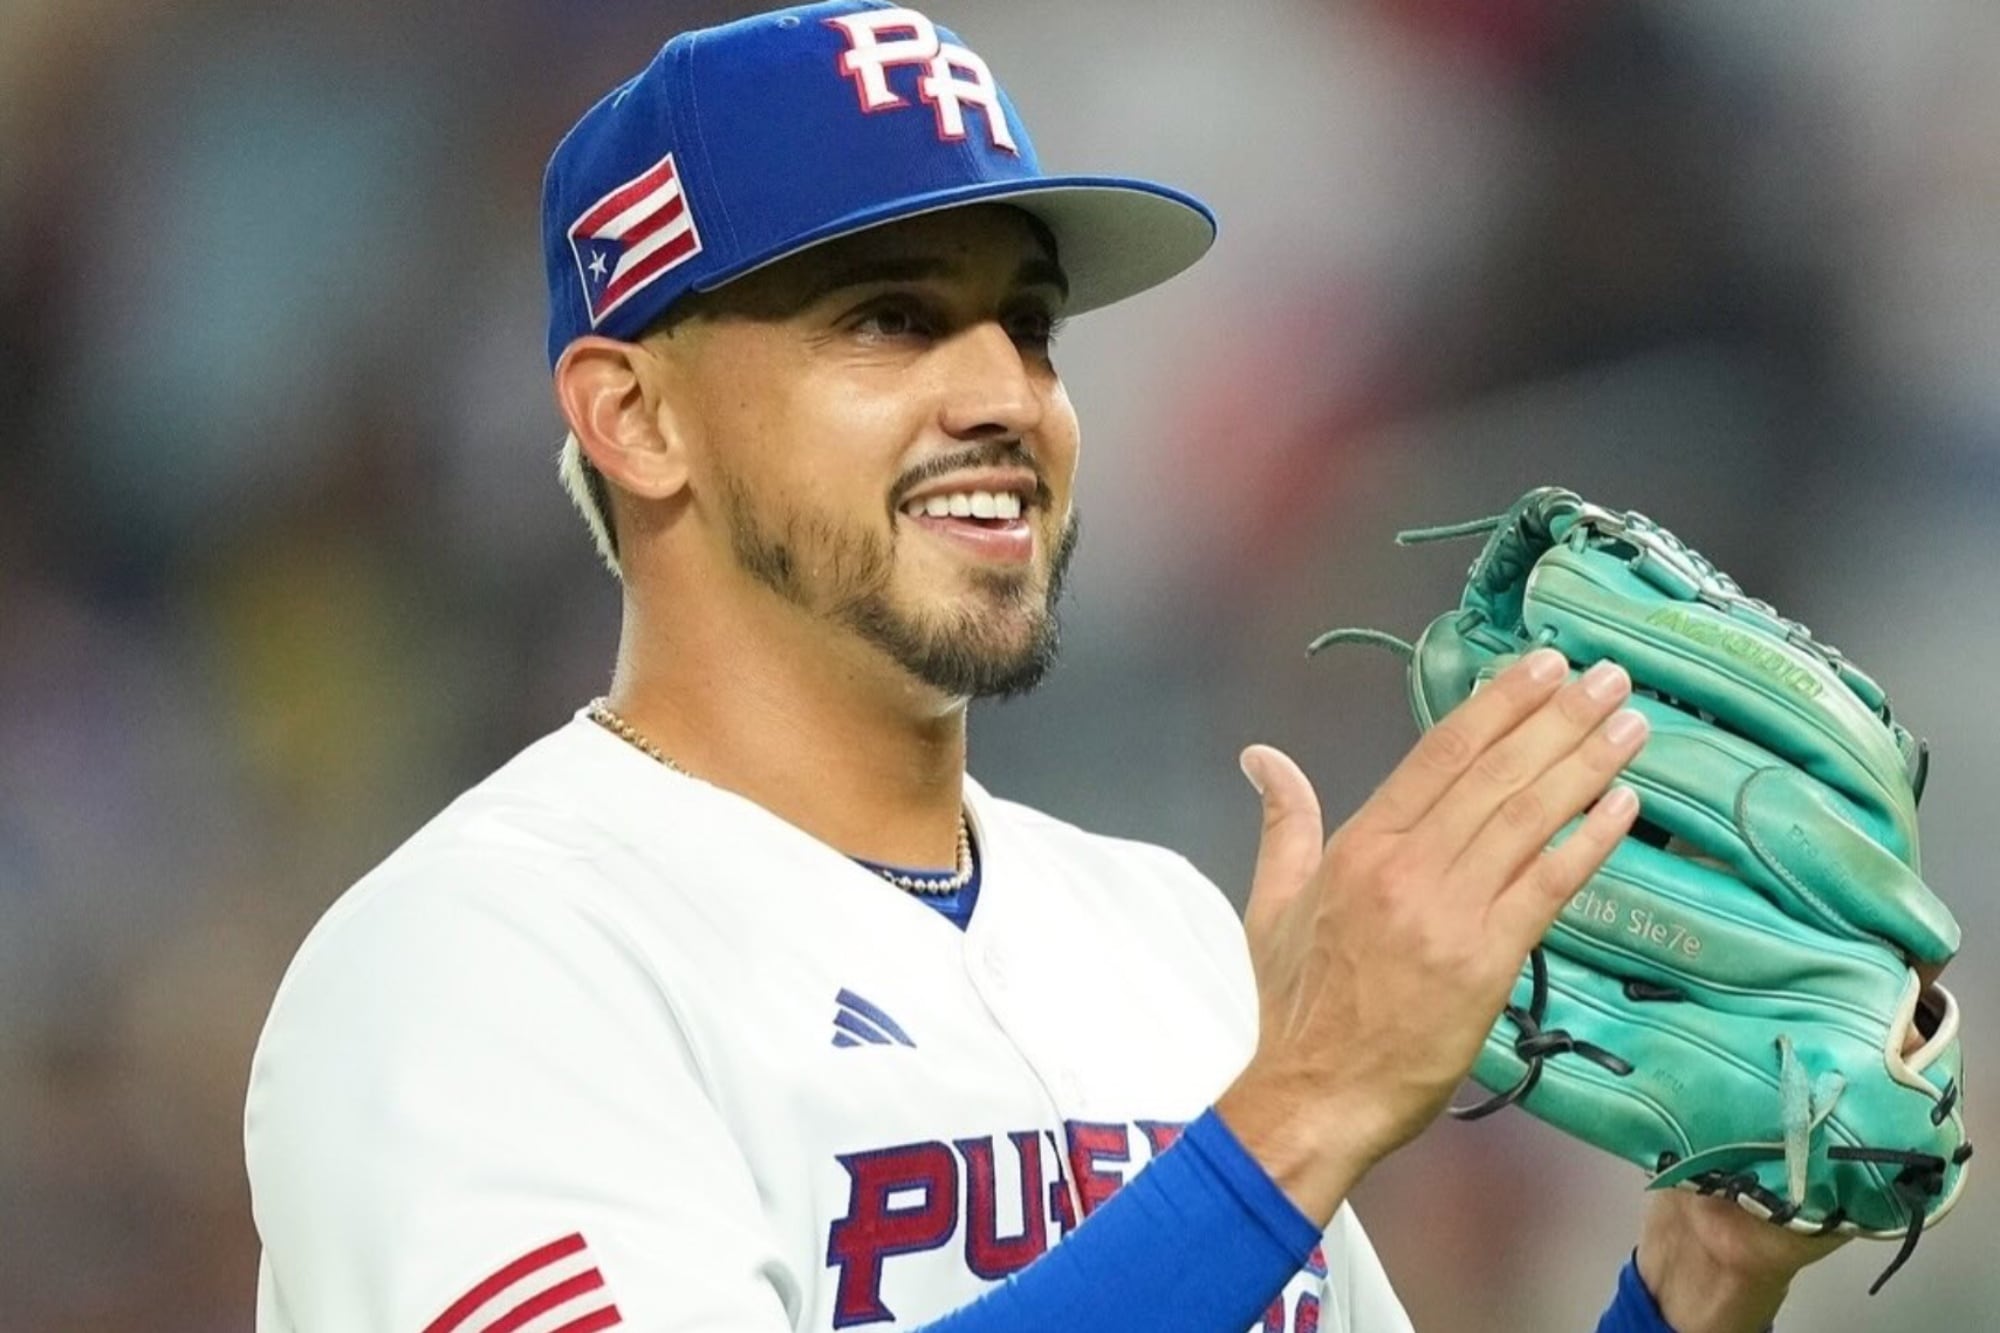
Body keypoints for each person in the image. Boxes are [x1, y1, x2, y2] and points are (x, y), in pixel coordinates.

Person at [243, 4, 1843, 1330]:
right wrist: (1306, 1106)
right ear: (634, 416)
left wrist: (1694, 1282)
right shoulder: (473, 967)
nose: (1003, 390)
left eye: (1030, 324)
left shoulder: (1160, 935)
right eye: (885, 319)